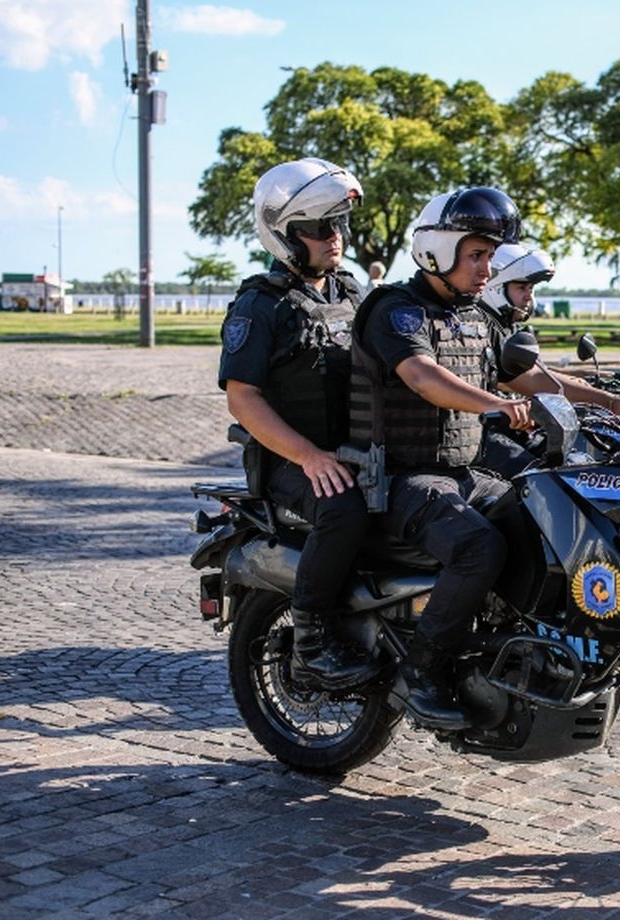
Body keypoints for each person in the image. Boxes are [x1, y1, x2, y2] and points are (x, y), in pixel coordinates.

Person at [348, 186, 535, 729]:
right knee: (477, 546)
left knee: (538, 509)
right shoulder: (395, 312)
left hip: (459, 472)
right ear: (438, 251)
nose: (487, 269)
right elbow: (424, 377)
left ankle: (504, 649)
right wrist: (499, 405)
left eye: (491, 257)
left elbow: (524, 374)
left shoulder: (473, 315)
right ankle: (421, 671)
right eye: (476, 255)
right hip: (398, 477)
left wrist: (613, 397)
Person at [217, 157, 378, 690]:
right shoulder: (260, 306)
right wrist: (308, 456)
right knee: (344, 509)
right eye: (318, 228)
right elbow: (243, 399)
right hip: (289, 460)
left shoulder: (353, 293)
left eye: (338, 223)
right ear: (285, 234)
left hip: (352, 449)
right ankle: (312, 638)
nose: (334, 237)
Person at [475, 242, 620, 477]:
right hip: (482, 434)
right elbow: (528, 379)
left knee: (574, 461)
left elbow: (534, 368)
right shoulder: (483, 326)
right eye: (522, 287)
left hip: (511, 427)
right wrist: (612, 402)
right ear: (495, 286)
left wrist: (586, 378)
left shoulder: (504, 325)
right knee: (539, 478)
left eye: (531, 288)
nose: (529, 296)